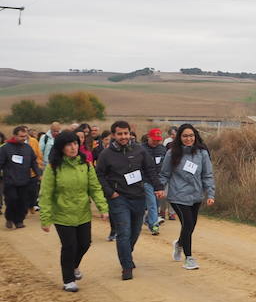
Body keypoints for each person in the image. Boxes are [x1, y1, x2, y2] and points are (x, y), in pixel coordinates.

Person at [38, 131, 109, 292]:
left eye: (75, 143)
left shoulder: (85, 164)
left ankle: (74, 266)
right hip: (62, 214)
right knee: (69, 246)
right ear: (61, 148)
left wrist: (103, 207)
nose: (73, 147)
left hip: (82, 212)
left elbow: (95, 187)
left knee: (85, 243)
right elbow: (46, 194)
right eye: (69, 144)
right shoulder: (53, 168)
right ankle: (68, 279)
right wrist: (45, 218)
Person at [95, 120, 164, 280]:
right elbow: (99, 175)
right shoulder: (106, 154)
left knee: (135, 232)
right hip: (119, 198)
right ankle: (126, 266)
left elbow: (150, 169)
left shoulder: (139, 150)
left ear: (129, 133)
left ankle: (126, 254)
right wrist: (110, 193)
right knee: (124, 232)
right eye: (120, 134)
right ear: (113, 135)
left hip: (138, 197)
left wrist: (158, 186)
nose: (123, 136)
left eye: (126, 133)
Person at [159, 124, 215, 270]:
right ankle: (189, 258)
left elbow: (207, 175)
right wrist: (159, 188)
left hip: (196, 196)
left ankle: (179, 244)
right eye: (185, 136)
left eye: (191, 135)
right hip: (178, 196)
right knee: (188, 224)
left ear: (195, 136)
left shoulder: (202, 153)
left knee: (190, 226)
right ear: (180, 137)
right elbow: (164, 174)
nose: (188, 138)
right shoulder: (172, 153)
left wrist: (210, 193)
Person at [0, 126, 43, 229]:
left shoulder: (28, 148)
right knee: (11, 200)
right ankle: (10, 218)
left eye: (25, 136)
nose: (24, 138)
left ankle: (19, 220)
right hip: (10, 181)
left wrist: (38, 174)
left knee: (23, 202)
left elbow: (33, 162)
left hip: (25, 180)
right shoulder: (5, 148)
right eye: (21, 136)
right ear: (14, 136)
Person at [142, 128, 167, 235]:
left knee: (156, 203)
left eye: (158, 140)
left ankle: (148, 220)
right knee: (151, 203)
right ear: (148, 137)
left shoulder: (162, 149)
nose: (156, 142)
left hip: (159, 181)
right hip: (146, 180)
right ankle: (154, 225)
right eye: (154, 140)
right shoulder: (141, 149)